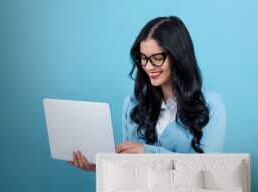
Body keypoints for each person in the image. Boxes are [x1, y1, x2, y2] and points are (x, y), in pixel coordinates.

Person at [69, 16, 226, 172]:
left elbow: (207, 168)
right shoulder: (132, 104)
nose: (148, 66)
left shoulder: (211, 104)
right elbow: (128, 168)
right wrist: (98, 165)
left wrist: (148, 152)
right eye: (143, 58)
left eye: (157, 58)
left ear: (178, 57)